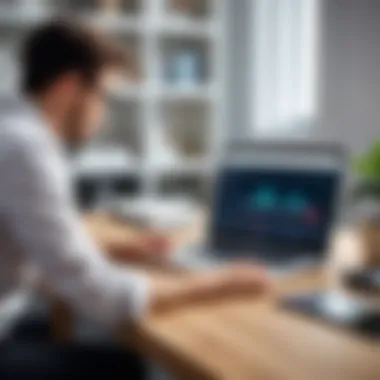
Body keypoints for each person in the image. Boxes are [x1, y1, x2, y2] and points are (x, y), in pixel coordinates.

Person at [0, 19, 270, 378]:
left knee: (75, 338)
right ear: (69, 87)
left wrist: (109, 252)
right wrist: (218, 283)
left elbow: (34, 251)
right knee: (124, 366)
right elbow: (101, 298)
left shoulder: (13, 132)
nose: (104, 111)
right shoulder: (25, 148)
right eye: (103, 96)